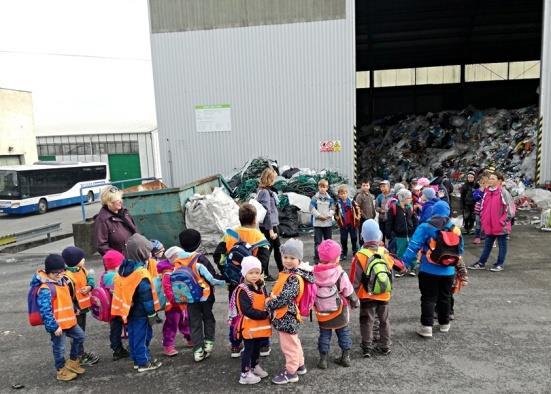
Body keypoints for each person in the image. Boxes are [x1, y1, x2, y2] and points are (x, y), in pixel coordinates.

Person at [212, 203, 271, 358]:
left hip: (235, 283)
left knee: (236, 312)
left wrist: (228, 271)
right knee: (259, 310)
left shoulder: (230, 234)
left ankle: (236, 345)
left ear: (239, 218)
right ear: (255, 219)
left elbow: (217, 255)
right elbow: (264, 261)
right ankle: (263, 344)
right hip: (256, 284)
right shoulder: (259, 237)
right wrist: (257, 275)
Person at [402, 201, 464, 338]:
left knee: (428, 298)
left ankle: (426, 327)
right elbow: (460, 250)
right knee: (445, 297)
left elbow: (414, 246)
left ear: (433, 212)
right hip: (448, 271)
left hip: (428, 269)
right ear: (447, 212)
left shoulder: (425, 227)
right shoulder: (455, 229)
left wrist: (405, 262)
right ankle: (444, 324)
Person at [266, 239, 314, 385]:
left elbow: (285, 297)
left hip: (287, 315)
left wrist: (270, 303)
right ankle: (300, 365)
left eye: (292, 258)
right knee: (294, 342)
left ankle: (291, 372)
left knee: (289, 345)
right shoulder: (290, 273)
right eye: (285, 257)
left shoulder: (294, 277)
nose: (288, 261)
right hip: (289, 314)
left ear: (299, 259)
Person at [30, 254, 86, 381]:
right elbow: (45, 311)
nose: (60, 274)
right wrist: (53, 326)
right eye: (56, 273)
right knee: (59, 348)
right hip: (58, 326)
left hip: (69, 321)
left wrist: (74, 309)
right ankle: (61, 370)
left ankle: (72, 362)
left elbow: (66, 299)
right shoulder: (46, 289)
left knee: (80, 336)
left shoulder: (62, 281)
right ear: (49, 272)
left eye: (62, 271)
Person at [111, 233, 162, 372]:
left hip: (129, 309)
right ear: (142, 253)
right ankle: (143, 362)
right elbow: (146, 297)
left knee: (134, 335)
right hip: (141, 311)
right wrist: (152, 314)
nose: (150, 254)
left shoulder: (124, 268)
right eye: (148, 251)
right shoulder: (141, 274)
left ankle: (137, 359)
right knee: (143, 336)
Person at [177, 229, 226, 362]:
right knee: (208, 318)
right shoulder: (200, 259)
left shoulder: (178, 260)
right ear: (199, 244)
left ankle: (198, 351)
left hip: (189, 297)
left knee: (194, 322)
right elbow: (212, 278)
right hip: (205, 296)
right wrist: (226, 280)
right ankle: (208, 344)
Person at [350, 220, 395, 357]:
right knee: (384, 320)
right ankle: (385, 345)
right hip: (383, 294)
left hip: (367, 295)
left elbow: (355, 280)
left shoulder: (360, 255)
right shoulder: (385, 252)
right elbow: (390, 274)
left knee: (367, 321)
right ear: (379, 236)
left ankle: (367, 347)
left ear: (362, 236)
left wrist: (352, 297)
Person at [313, 239, 358, 369]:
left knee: (324, 335)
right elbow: (349, 291)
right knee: (343, 332)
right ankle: (346, 357)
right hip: (339, 310)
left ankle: (323, 360)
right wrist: (355, 302)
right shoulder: (340, 273)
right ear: (336, 259)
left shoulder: (313, 272)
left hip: (322, 311)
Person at [231, 256, 271, 385]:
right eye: (251, 273)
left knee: (257, 348)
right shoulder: (243, 290)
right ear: (244, 273)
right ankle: (245, 373)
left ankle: (254, 366)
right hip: (248, 326)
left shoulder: (261, 286)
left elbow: (266, 300)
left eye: (257, 272)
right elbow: (247, 310)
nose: (254, 276)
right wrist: (265, 314)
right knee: (248, 349)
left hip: (259, 327)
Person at [468, 172, 514, 272]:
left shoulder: (504, 192)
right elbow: (480, 204)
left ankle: (499, 264)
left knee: (502, 245)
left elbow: (510, 209)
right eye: (490, 178)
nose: (490, 180)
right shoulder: (487, 192)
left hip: (500, 226)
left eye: (493, 179)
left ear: (499, 181)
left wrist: (503, 221)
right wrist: (483, 219)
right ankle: (481, 263)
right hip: (489, 225)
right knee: (487, 245)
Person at [61, 246, 99, 366]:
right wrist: (73, 307)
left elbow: (90, 279)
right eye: (82, 258)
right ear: (75, 260)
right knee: (78, 334)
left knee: (81, 331)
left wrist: (90, 286)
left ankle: (79, 353)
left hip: (83, 308)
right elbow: (65, 295)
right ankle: (78, 355)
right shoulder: (66, 276)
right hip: (76, 310)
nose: (84, 260)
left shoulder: (82, 269)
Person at [157, 259, 191, 357]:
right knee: (171, 324)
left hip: (182, 301)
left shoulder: (178, 268)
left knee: (185, 321)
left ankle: (189, 338)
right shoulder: (167, 273)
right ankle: (168, 345)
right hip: (173, 305)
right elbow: (167, 288)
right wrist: (174, 300)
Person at [99, 250, 129, 360]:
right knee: (129, 326)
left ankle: (117, 350)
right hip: (120, 307)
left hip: (110, 309)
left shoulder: (104, 275)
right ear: (118, 264)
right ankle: (133, 347)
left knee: (115, 330)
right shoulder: (117, 276)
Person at [94, 186, 137, 256]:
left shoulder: (125, 213)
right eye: (117, 200)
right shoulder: (102, 220)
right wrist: (118, 258)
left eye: (120, 198)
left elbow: (135, 232)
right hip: (118, 264)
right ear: (109, 202)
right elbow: (101, 246)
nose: (121, 201)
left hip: (133, 258)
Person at [256, 167, 282, 278]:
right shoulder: (265, 192)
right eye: (274, 178)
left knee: (272, 249)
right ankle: (265, 273)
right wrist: (271, 230)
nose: (275, 180)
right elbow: (267, 212)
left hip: (269, 225)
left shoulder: (263, 190)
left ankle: (274, 272)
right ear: (270, 179)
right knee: (269, 251)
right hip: (270, 226)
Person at [385, 189, 418, 260]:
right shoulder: (393, 208)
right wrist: (389, 235)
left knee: (411, 252)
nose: (411, 199)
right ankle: (401, 268)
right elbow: (389, 223)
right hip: (399, 236)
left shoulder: (410, 207)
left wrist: (415, 230)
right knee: (400, 253)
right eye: (409, 198)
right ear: (403, 198)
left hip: (410, 235)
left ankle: (412, 267)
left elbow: (414, 220)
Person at [310, 179, 336, 263]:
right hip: (318, 224)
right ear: (318, 187)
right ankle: (317, 259)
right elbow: (311, 208)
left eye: (324, 187)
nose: (322, 188)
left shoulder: (330, 199)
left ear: (327, 188)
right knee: (318, 242)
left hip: (327, 224)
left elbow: (333, 209)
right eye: (321, 187)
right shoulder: (315, 198)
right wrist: (319, 216)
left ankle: (328, 257)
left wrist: (327, 215)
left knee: (328, 242)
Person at [334, 185, 361, 261]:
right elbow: (335, 213)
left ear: (347, 193)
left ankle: (355, 251)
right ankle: (344, 252)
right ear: (339, 195)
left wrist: (357, 219)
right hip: (343, 225)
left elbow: (358, 210)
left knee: (354, 238)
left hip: (352, 224)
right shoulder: (338, 204)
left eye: (345, 193)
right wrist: (338, 219)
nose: (343, 195)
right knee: (343, 239)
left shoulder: (352, 202)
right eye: (341, 194)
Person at [354, 179, 376, 245]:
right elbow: (357, 208)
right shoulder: (359, 196)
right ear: (361, 186)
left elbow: (372, 206)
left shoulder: (370, 195)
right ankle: (361, 246)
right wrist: (364, 216)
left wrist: (373, 215)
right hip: (363, 219)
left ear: (369, 186)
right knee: (362, 233)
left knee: (369, 233)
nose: (365, 187)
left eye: (367, 185)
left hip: (370, 218)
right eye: (364, 185)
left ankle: (368, 245)